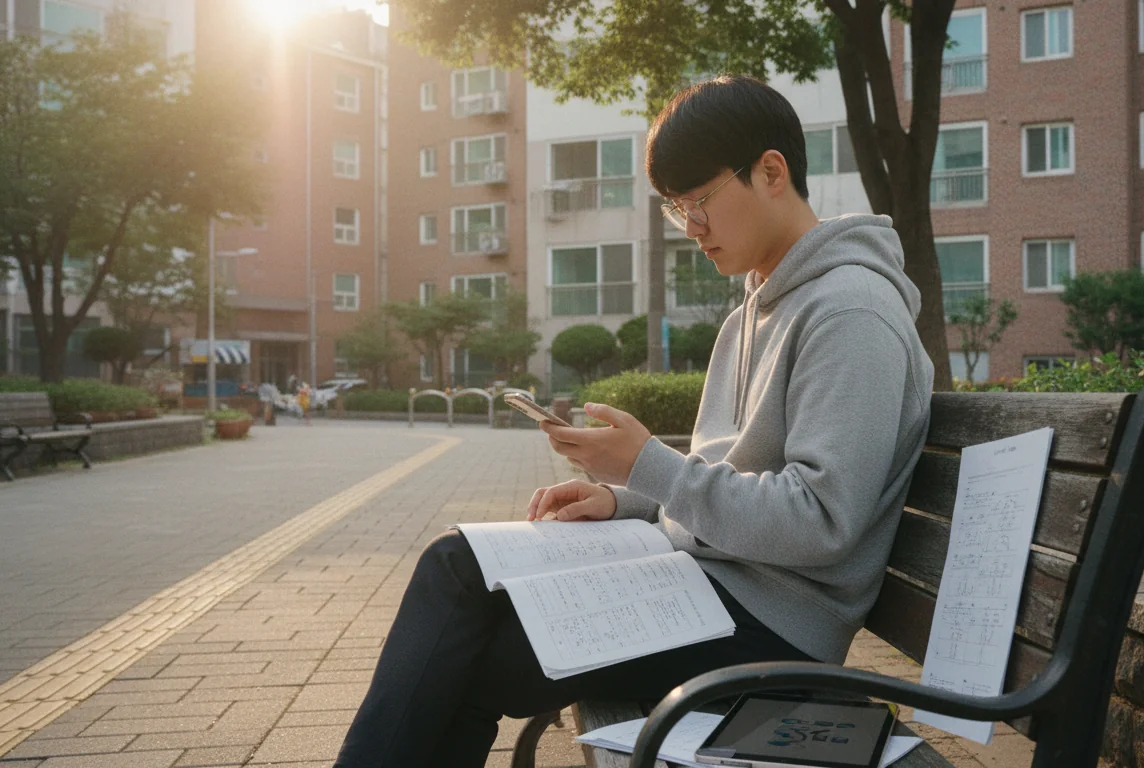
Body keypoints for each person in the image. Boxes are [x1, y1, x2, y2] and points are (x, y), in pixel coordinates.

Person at [333, 74, 934, 768]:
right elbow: (731, 475)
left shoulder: (849, 310)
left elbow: (821, 521)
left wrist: (648, 464)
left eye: (701, 201)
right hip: (704, 583)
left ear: (772, 172)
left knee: (470, 646)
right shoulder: (752, 311)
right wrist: (625, 497)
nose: (692, 227)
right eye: (677, 208)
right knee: (457, 564)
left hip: (774, 628)